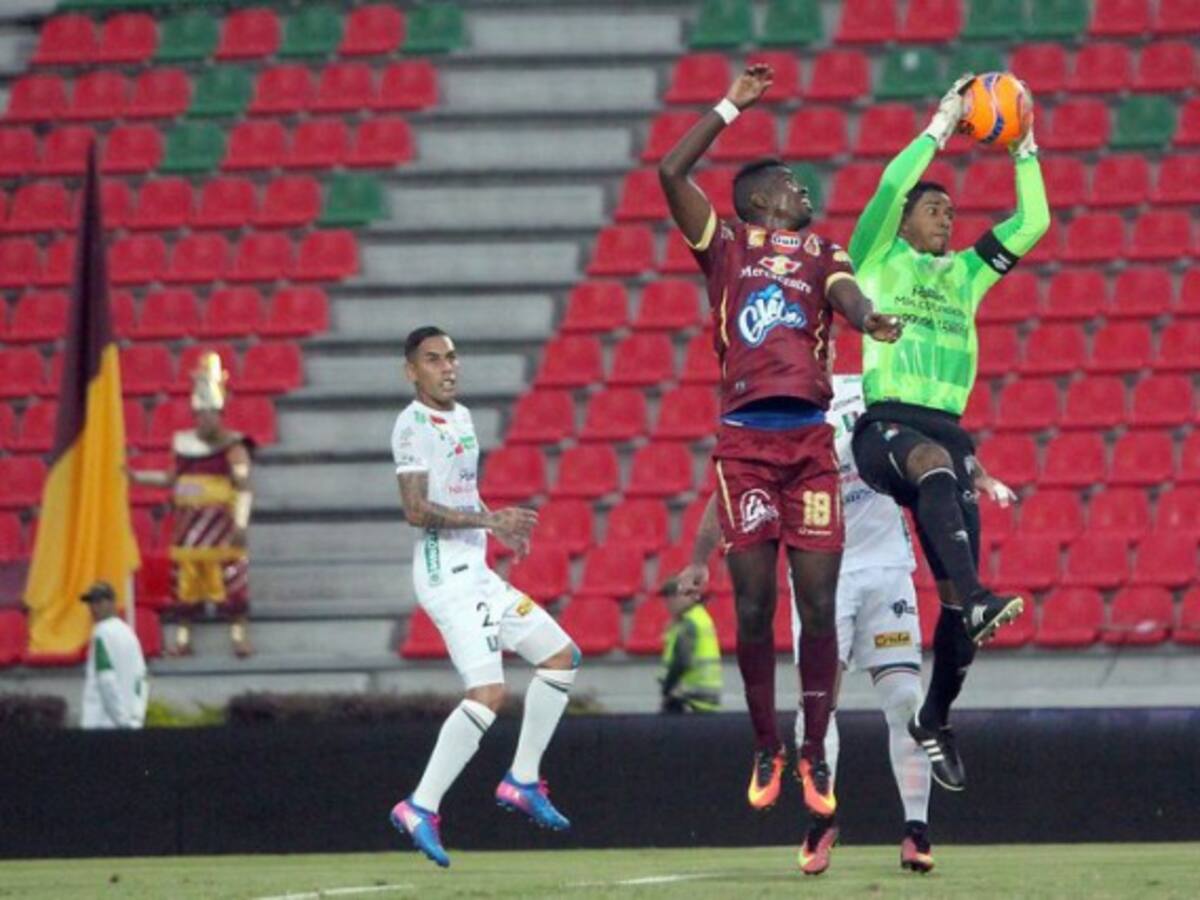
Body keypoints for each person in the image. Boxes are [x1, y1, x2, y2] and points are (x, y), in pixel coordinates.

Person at [658, 62, 902, 822]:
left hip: (807, 443)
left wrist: (870, 320)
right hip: (744, 446)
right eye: (793, 184)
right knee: (756, 607)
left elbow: (846, 296)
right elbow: (671, 169)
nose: (805, 191)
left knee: (817, 607)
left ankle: (813, 747)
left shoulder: (826, 253)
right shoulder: (725, 246)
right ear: (762, 199)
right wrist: (733, 103)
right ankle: (766, 741)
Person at [683, 367, 1018, 875]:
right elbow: (730, 484)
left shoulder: (871, 391)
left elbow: (934, 442)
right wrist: (699, 556)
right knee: (818, 700)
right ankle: (821, 823)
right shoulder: (782, 406)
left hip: (886, 569)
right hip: (821, 574)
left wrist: (980, 475)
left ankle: (916, 831)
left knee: (904, 699)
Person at [847, 75, 1050, 791]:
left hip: (949, 436)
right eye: (933, 207)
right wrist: (940, 122)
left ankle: (935, 716)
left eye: (951, 208)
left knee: (960, 613)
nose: (945, 216)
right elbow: (888, 183)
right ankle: (980, 594)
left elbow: (1033, 226)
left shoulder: (965, 275)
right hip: (885, 427)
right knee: (932, 467)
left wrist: (1023, 147)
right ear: (903, 220)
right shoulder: (877, 257)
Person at [389, 326, 581, 869]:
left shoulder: (464, 417)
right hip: (444, 574)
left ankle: (522, 779)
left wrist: (497, 527)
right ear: (412, 371)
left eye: (452, 356)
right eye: (433, 359)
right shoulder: (411, 425)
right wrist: (489, 520)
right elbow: (416, 509)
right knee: (488, 694)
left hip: (475, 570)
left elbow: (462, 492)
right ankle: (418, 806)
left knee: (561, 657)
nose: (448, 367)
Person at [128, 352, 255, 657]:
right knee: (185, 582)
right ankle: (183, 639)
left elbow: (244, 486)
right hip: (187, 525)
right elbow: (171, 478)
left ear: (219, 412)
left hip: (221, 524)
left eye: (210, 412)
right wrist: (135, 476)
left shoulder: (233, 445)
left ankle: (239, 636)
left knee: (230, 580)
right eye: (201, 413)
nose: (205, 418)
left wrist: (240, 522)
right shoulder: (184, 443)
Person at [80, 581, 148, 730]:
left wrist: (121, 721)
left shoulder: (101, 633)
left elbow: (106, 679)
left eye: (98, 602)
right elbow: (141, 679)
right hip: (130, 724)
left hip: (101, 724)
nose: (93, 608)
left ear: (112, 603)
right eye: (91, 603)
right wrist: (136, 718)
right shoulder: (130, 634)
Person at [657, 577, 722, 714]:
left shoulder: (688, 624)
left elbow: (682, 660)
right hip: (705, 700)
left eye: (671, 597)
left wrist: (667, 688)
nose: (668, 603)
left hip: (688, 701)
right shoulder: (701, 618)